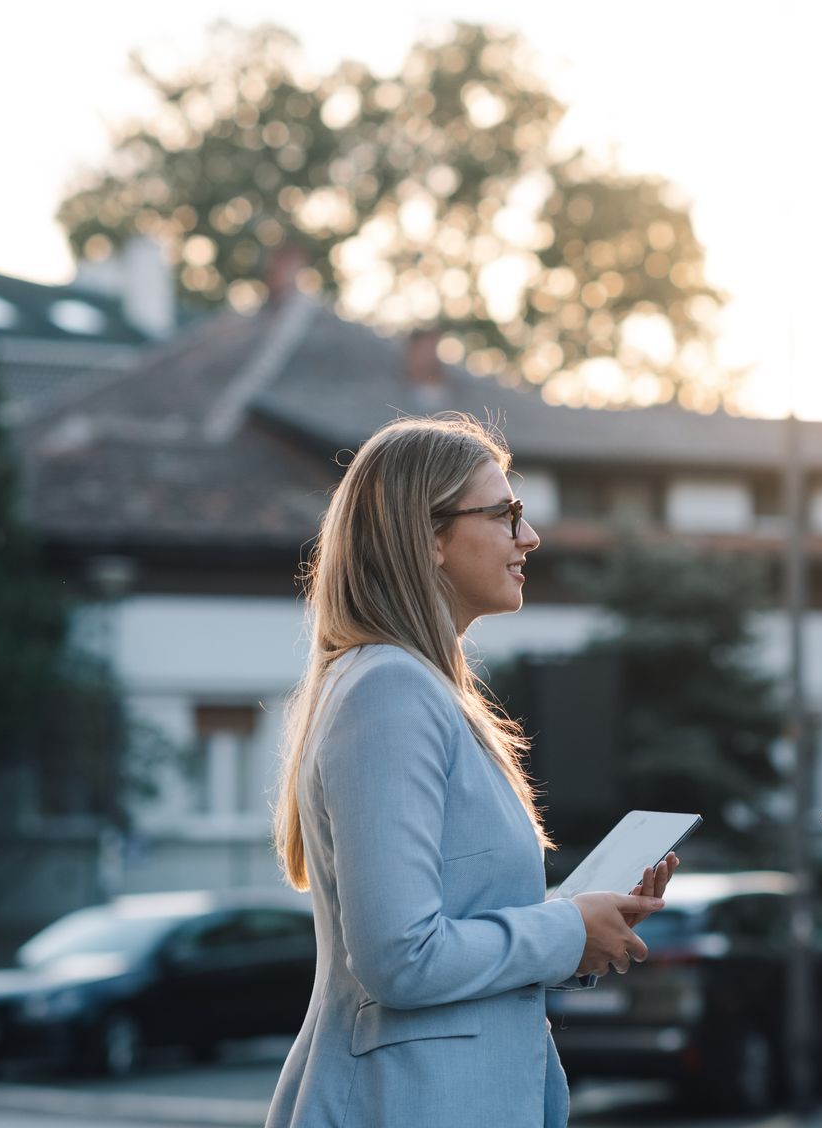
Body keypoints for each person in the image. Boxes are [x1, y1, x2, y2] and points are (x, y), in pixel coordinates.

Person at [266, 414, 678, 1128]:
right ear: (428, 540)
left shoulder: (414, 688)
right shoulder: (387, 691)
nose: (530, 538)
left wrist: (587, 930)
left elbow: (461, 925)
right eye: (506, 514)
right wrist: (565, 929)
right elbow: (400, 956)